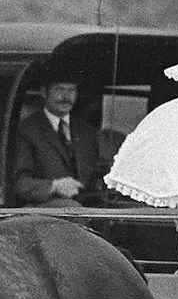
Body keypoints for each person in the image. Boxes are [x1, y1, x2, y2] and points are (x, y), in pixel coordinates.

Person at [7, 77, 105, 207]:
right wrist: (54, 186)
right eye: (59, 89)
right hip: (44, 212)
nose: (65, 97)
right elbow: (19, 183)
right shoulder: (27, 130)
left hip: (88, 210)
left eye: (71, 90)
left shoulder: (87, 132)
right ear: (44, 91)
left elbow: (97, 176)